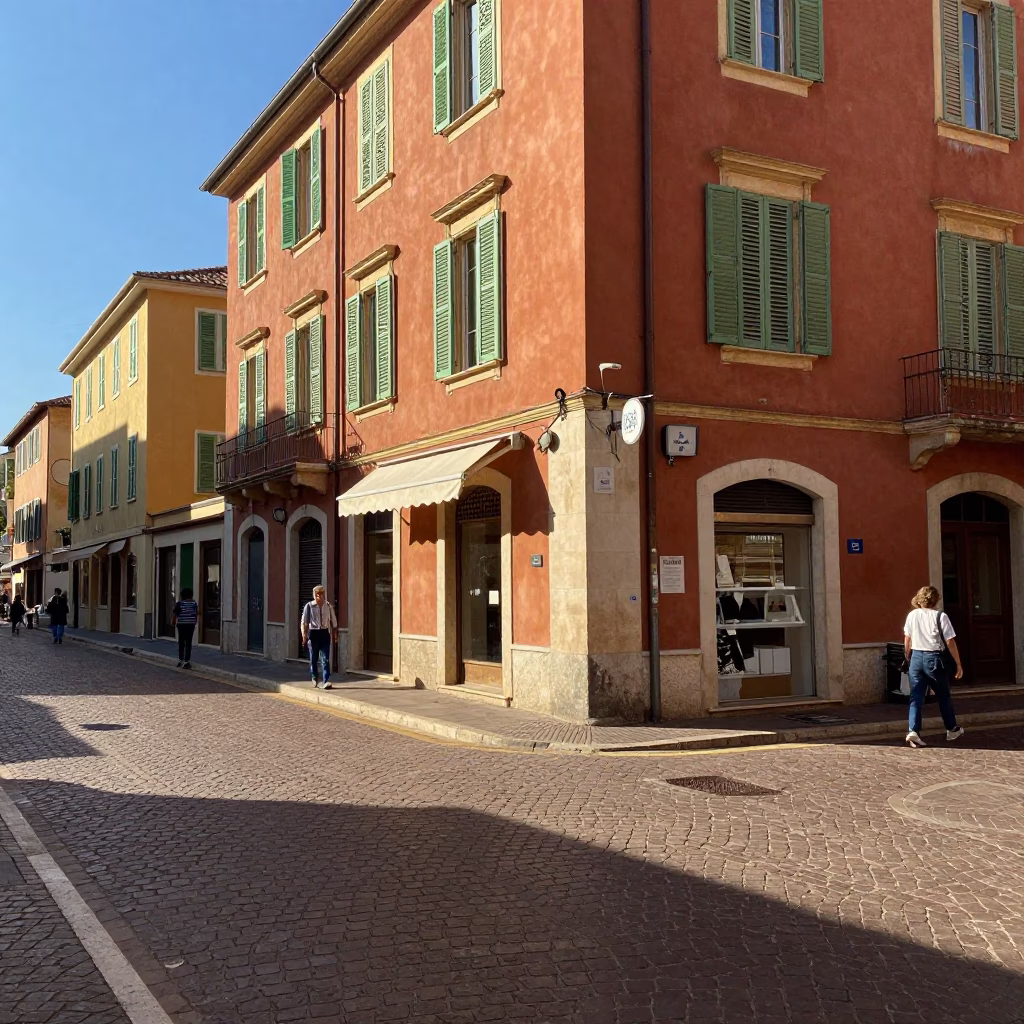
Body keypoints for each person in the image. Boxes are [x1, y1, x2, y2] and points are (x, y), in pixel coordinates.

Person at [904, 585, 964, 748]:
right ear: (936, 600)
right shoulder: (940, 616)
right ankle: (951, 728)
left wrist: (907, 656)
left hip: (916, 656)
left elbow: (907, 639)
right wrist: (958, 663)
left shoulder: (912, 615)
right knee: (943, 695)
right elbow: (950, 641)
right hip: (934, 658)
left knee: (916, 696)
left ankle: (913, 730)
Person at [301, 585, 338, 690]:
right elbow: (304, 622)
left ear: (324, 595)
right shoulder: (309, 606)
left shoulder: (328, 606)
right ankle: (314, 676)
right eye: (317, 595)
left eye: (321, 594)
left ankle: (326, 680)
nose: (319, 597)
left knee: (325, 658)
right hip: (313, 634)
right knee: (314, 658)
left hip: (325, 633)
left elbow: (334, 622)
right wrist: (304, 635)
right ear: (314, 595)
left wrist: (335, 634)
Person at [171, 587, 199, 669]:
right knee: (189, 642)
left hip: (182, 624)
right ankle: (187, 661)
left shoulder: (179, 603)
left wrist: (173, 622)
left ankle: (180, 660)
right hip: (191, 624)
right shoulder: (194, 603)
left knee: (181, 642)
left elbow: (175, 614)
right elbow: (195, 613)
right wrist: (194, 622)